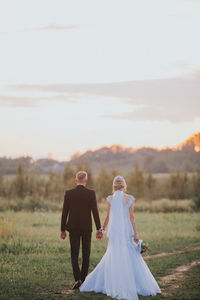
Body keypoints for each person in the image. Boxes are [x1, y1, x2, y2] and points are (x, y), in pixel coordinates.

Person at [80, 175, 161, 300]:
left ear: (114, 186)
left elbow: (108, 217)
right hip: (126, 230)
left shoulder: (110, 199)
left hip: (114, 231)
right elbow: (131, 218)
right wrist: (136, 234)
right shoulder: (130, 199)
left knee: (113, 254)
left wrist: (102, 229)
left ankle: (113, 281)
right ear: (124, 185)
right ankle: (134, 283)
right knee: (129, 254)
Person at [60, 171, 103, 289]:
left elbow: (65, 213)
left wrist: (62, 229)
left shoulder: (69, 193)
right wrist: (99, 228)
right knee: (86, 253)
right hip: (86, 228)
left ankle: (77, 279)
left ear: (76, 180)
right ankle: (83, 280)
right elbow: (95, 212)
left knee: (74, 254)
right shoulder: (91, 193)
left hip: (72, 228)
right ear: (86, 180)